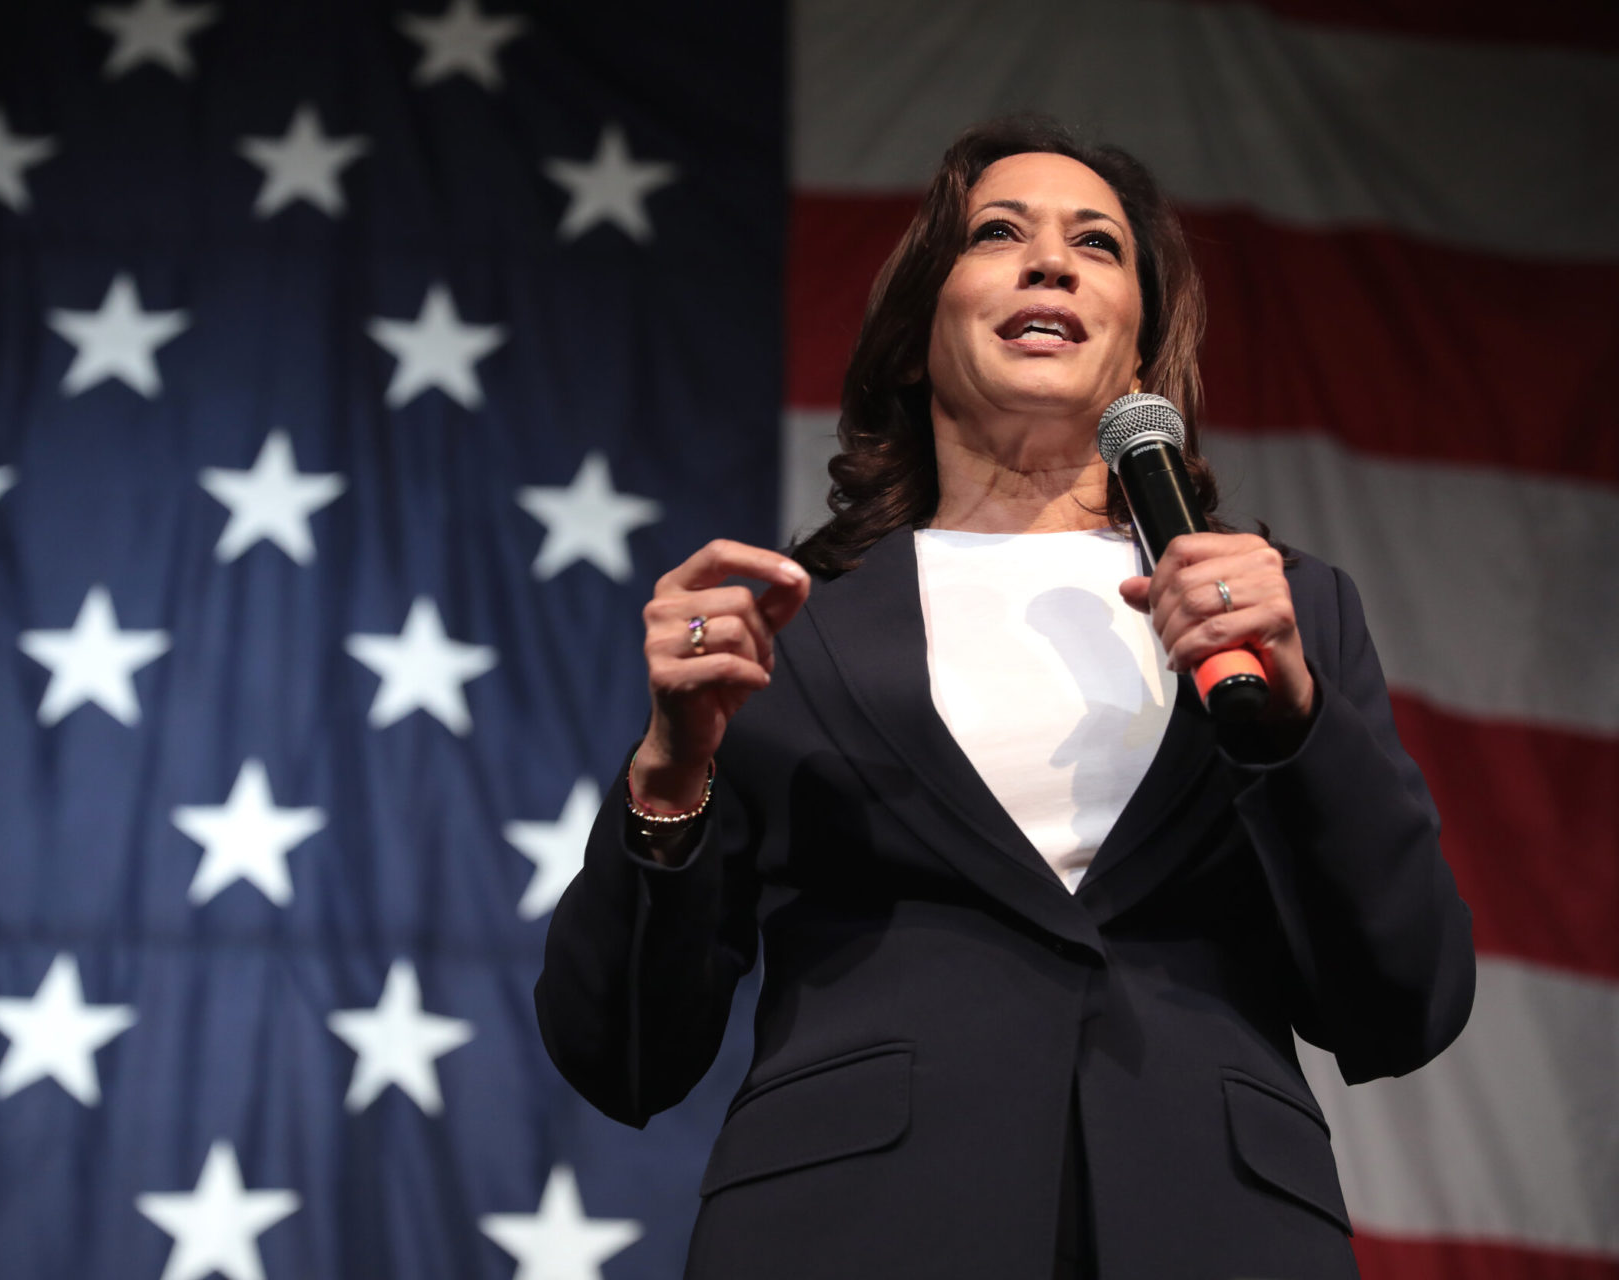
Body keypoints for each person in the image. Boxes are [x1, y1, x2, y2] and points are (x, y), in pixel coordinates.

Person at [533, 116, 1475, 1279]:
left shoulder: (1287, 613)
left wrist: (1291, 724)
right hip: (852, 1233)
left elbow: (1405, 1001)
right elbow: (621, 1050)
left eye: (1097, 243)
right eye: (998, 233)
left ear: (1138, 348)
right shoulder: (790, 632)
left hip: (1212, 1232)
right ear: (919, 332)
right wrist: (671, 774)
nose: (1051, 260)